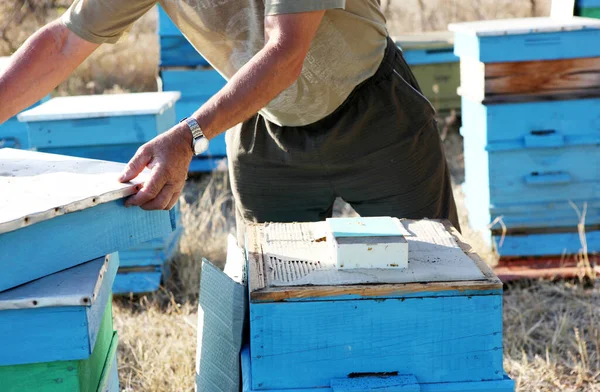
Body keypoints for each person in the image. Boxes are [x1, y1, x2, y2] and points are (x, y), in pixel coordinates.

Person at [0, 0, 459, 242]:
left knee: (438, 278)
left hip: (374, 113)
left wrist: (189, 136)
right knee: (273, 306)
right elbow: (64, 41)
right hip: (261, 125)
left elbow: (285, 55)